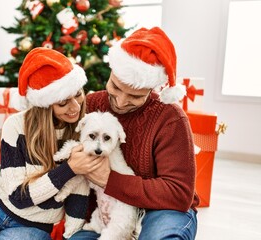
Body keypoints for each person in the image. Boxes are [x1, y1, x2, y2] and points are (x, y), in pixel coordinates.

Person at [0, 47, 104, 240]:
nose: (76, 107)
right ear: (44, 105)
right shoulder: (16, 125)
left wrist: (70, 235)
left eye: (78, 94)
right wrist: (69, 169)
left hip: (35, 224)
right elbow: (18, 197)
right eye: (63, 103)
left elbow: (79, 192)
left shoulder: (86, 132)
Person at [69, 27, 199, 240]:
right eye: (116, 87)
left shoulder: (170, 118)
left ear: (152, 89)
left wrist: (109, 180)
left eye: (135, 96)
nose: (120, 101)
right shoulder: (91, 105)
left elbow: (179, 193)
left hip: (161, 209)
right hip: (105, 212)